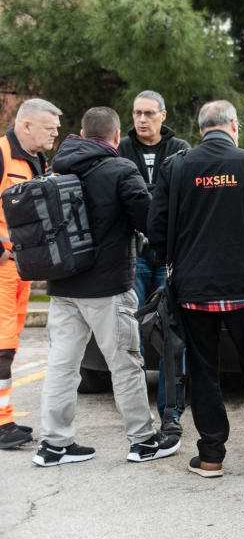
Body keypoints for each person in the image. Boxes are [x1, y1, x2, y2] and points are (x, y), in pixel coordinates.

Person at [148, 100, 244, 478]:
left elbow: (156, 229)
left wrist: (174, 266)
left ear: (201, 130)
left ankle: (211, 456)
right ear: (233, 126)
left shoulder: (176, 166)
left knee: (203, 371)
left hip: (193, 290)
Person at [35, 107, 180, 467]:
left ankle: (54, 444)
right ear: (117, 138)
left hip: (62, 285)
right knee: (126, 363)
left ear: (82, 134)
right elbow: (149, 221)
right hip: (108, 288)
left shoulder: (57, 167)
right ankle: (143, 441)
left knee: (62, 365)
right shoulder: (119, 169)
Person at [118, 90, 191, 435]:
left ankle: (171, 413)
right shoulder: (121, 151)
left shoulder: (181, 151)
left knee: (170, 334)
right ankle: (135, 416)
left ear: (163, 115)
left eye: (148, 113)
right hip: (132, 255)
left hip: (168, 257)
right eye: (136, 113)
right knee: (128, 334)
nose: (142, 119)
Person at [0, 99, 61, 450]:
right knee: (2, 348)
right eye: (49, 127)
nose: (54, 132)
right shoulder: (3, 154)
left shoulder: (39, 161)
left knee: (10, 345)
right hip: (3, 269)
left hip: (21, 271)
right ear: (26, 126)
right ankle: (3, 423)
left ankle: (4, 419)